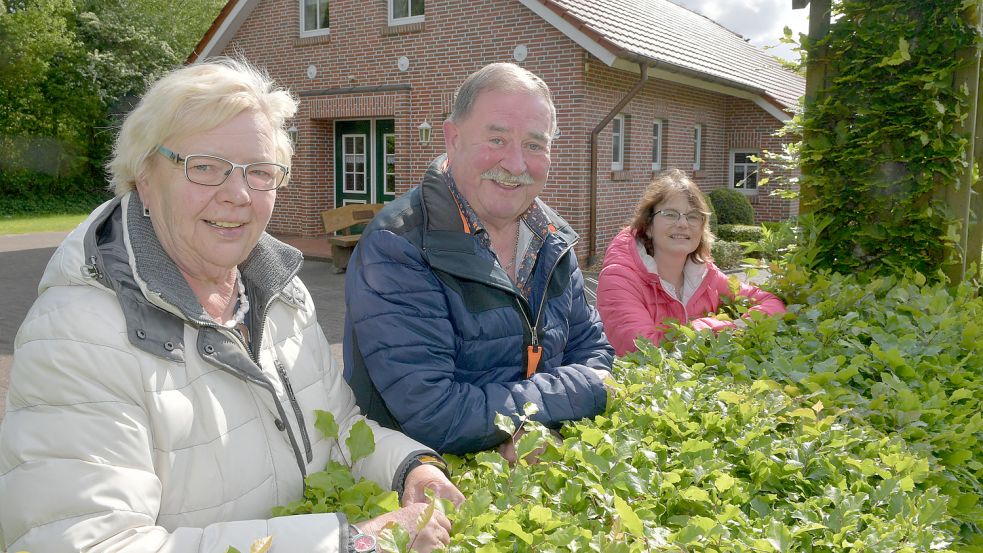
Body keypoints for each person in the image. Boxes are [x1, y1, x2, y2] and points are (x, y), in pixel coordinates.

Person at [0, 58, 463, 553]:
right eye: (204, 167)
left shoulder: (281, 293)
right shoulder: (79, 335)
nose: (238, 194)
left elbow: (338, 428)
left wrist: (409, 467)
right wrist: (350, 544)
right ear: (145, 178)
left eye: (260, 172)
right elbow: (89, 544)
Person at [343, 62, 613, 459]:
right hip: (422, 489)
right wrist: (567, 400)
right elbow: (435, 412)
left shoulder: (553, 239)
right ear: (453, 138)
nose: (516, 164)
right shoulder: (398, 247)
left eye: (535, 145)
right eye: (498, 139)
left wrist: (532, 428)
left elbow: (593, 349)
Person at [595, 169, 786, 355]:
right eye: (669, 214)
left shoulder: (705, 275)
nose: (683, 224)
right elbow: (643, 351)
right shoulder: (619, 278)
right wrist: (723, 329)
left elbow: (771, 302)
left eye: (693, 216)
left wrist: (745, 324)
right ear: (648, 226)